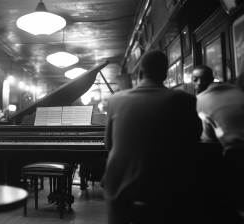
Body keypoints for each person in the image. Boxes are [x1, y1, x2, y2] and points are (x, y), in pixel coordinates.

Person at [101, 50, 202, 224]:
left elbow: (108, 145)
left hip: (118, 189)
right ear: (164, 74)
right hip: (165, 191)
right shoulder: (185, 99)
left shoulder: (115, 100)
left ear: (139, 73)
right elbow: (194, 138)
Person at [196, 74, 244, 223]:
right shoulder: (238, 94)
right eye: (195, 79)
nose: (198, 83)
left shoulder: (200, 101)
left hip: (234, 166)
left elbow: (208, 143)